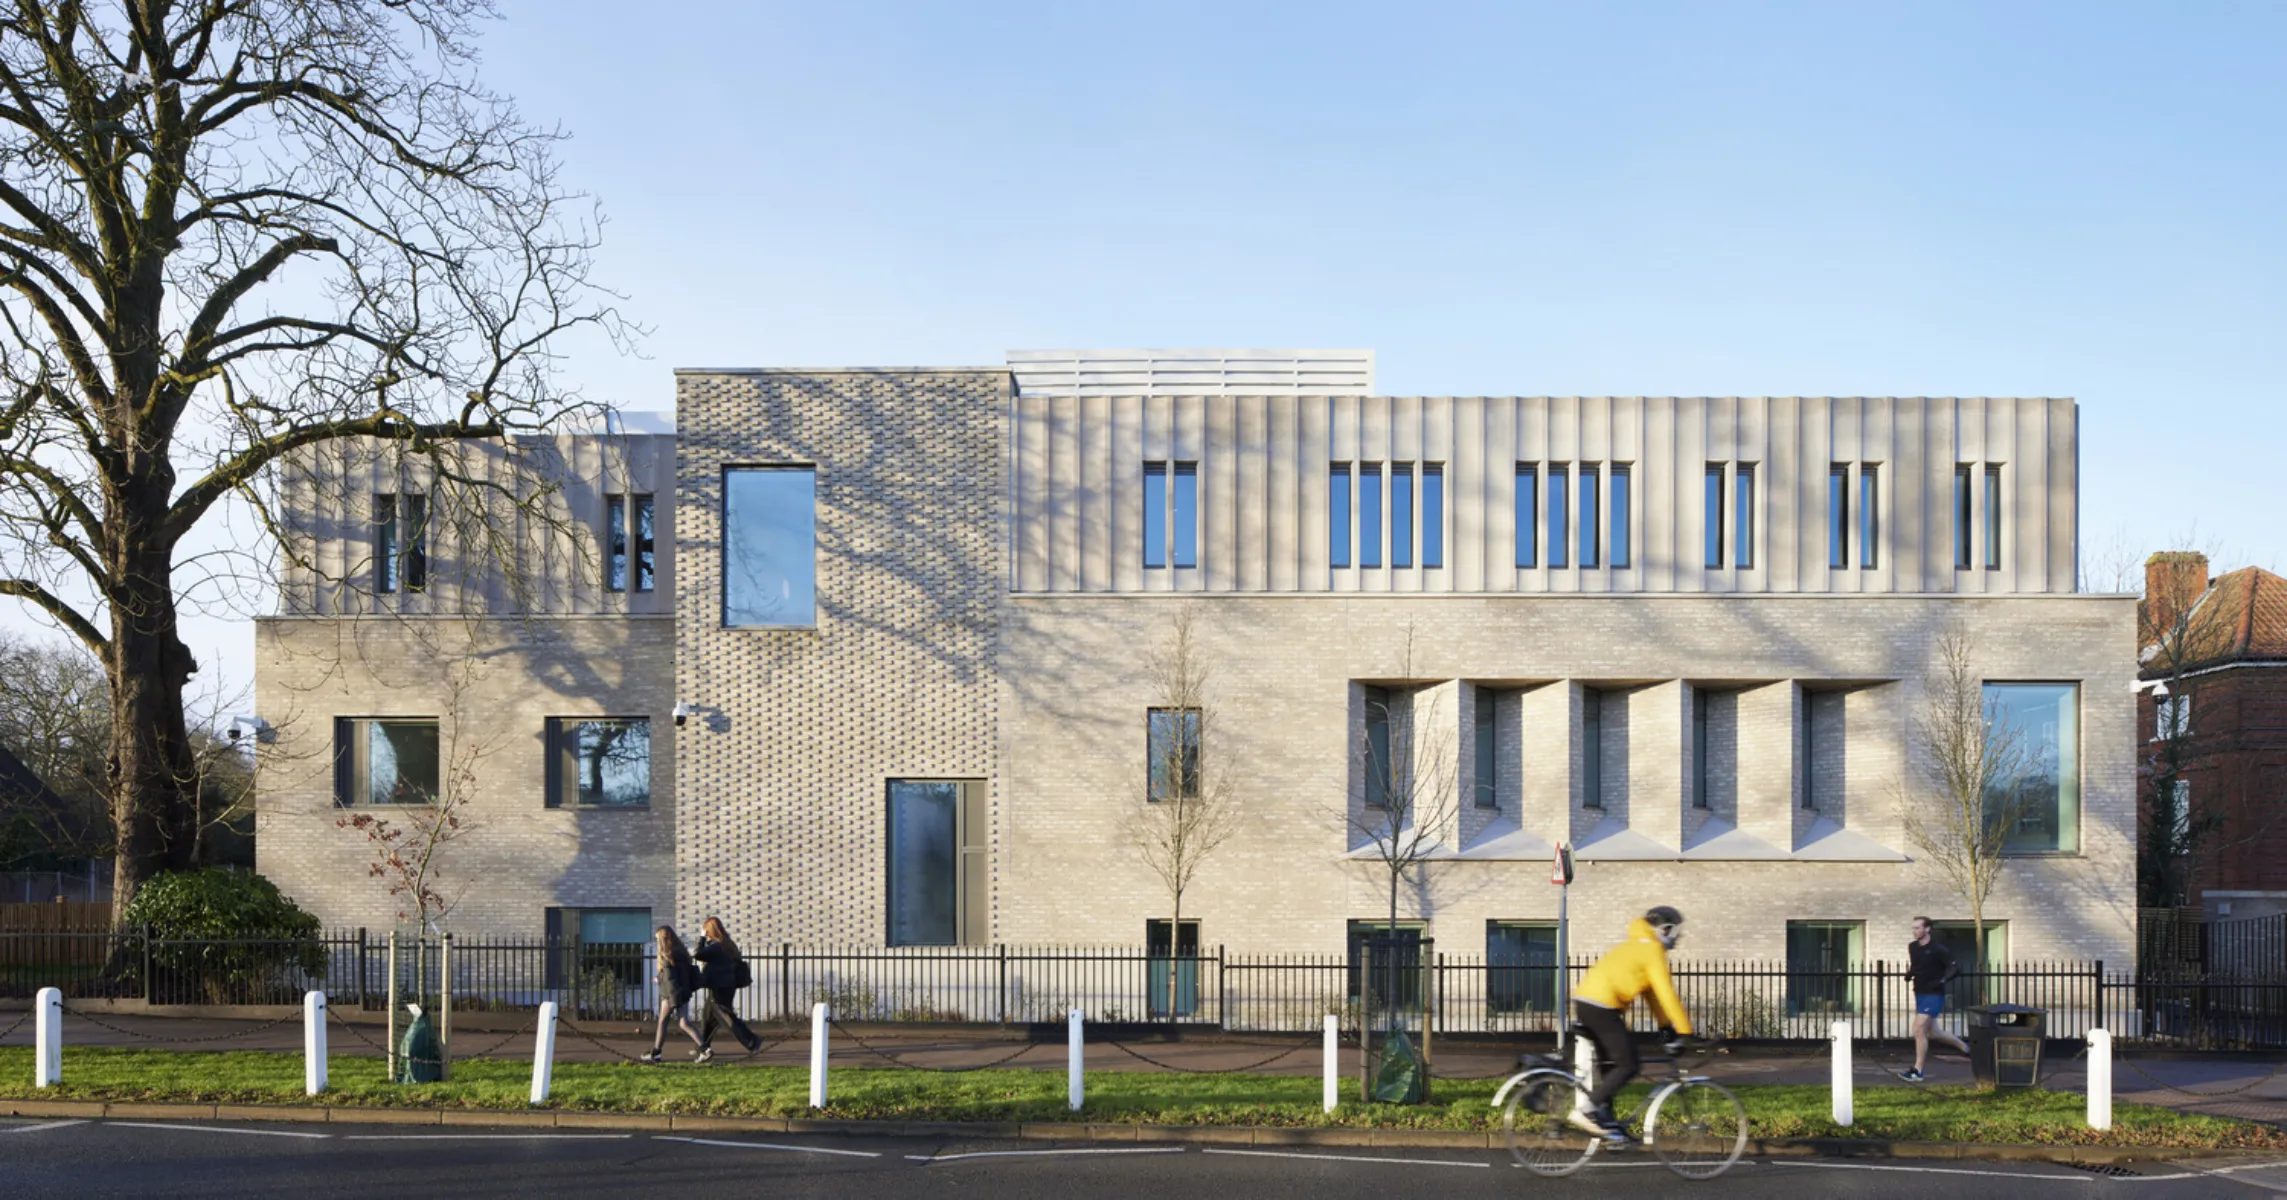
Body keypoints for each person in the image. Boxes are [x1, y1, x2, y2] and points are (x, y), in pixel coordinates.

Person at [1570, 906, 1699, 1142]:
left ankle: (1608, 1125)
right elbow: (1666, 993)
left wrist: (1665, 1028)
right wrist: (1685, 1031)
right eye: (1676, 932)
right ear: (1665, 930)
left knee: (1612, 1066)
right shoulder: (1653, 950)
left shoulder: (1637, 945)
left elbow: (1652, 995)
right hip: (1603, 1006)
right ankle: (1585, 1111)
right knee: (1629, 1064)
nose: (1678, 938)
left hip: (1588, 1002)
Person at [1901, 916, 1970, 1081]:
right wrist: (1911, 973)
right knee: (1934, 1032)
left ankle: (1918, 1071)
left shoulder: (1939, 949)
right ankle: (1966, 1049)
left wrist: (1941, 981)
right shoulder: (1913, 947)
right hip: (1920, 992)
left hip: (1934, 994)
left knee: (1918, 1030)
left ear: (1927, 929)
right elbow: (1918, 965)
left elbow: (1954, 969)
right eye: (1913, 928)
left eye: (1918, 928)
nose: (1915, 931)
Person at [692, 916, 761, 1060]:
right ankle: (703, 1047)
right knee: (707, 1018)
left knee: (728, 1019)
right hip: (728, 985)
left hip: (719, 986)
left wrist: (702, 938)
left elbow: (697, 954)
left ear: (710, 931)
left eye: (706, 930)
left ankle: (752, 1041)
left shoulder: (716, 946)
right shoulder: (728, 944)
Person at [639, 925, 704, 1064]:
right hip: (684, 991)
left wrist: (672, 998)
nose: (656, 942)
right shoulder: (682, 952)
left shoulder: (667, 955)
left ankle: (656, 1053)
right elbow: (677, 974)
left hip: (671, 995)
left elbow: (670, 979)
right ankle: (705, 1049)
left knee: (663, 1022)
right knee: (684, 1023)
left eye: (657, 939)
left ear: (662, 939)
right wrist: (660, 978)